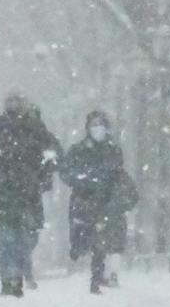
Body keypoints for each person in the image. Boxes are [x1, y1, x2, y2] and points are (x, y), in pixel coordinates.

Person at [0, 93, 60, 297]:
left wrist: (42, 177)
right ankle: (10, 279)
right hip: (4, 195)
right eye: (10, 101)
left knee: (28, 238)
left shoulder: (36, 128)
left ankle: (17, 271)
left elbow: (52, 153)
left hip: (28, 196)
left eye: (17, 102)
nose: (13, 106)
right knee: (6, 239)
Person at [59, 110, 139, 295]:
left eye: (101, 124)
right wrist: (83, 181)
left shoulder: (113, 149)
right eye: (94, 125)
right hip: (86, 200)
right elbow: (67, 172)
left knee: (109, 237)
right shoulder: (78, 150)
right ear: (88, 128)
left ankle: (103, 276)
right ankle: (97, 276)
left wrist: (118, 193)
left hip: (108, 200)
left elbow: (118, 173)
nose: (98, 129)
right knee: (94, 239)